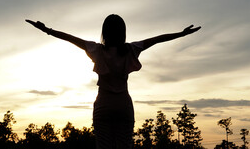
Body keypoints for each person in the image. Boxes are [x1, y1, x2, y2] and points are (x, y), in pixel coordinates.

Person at [26, 14, 201, 149]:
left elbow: (70, 38)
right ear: (123, 32)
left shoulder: (96, 49)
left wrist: (47, 29)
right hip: (124, 104)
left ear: (105, 32)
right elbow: (157, 39)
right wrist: (181, 34)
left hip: (104, 104)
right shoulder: (131, 49)